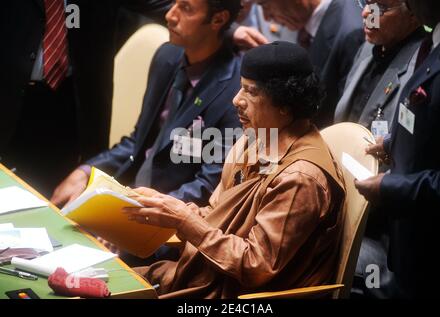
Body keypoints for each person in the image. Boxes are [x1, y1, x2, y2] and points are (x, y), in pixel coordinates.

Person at [123, 42, 346, 299]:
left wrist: (184, 220)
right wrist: (167, 210)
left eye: (250, 92)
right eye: (240, 87)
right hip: (204, 274)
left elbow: (255, 265)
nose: (236, 100)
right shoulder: (254, 141)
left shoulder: (300, 179)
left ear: (285, 103)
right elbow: (218, 213)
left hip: (235, 295)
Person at [52, 0, 242, 209]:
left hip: (176, 218)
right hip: (130, 193)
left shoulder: (236, 93)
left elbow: (209, 185)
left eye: (186, 8)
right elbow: (137, 141)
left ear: (218, 19)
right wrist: (86, 171)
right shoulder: (167, 56)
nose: (170, 15)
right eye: (174, 3)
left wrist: (141, 210)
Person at [0, 0, 173, 197]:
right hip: (9, 100)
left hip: (71, 109)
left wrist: (212, 23)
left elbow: (175, 8)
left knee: (54, 205)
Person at [355, 0, 440, 298]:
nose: (369, 13)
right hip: (408, 243)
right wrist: (393, 143)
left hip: (433, 252)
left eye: (384, 5)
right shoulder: (436, 40)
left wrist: (393, 186)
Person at [256, 0, 365, 128]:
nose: (266, 17)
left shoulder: (350, 33)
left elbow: (347, 117)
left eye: (264, 4)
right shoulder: (305, 24)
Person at [335, 0, 424, 137]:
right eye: (366, 2)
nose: (366, 13)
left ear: (413, 13)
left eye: (380, 7)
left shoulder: (422, 63)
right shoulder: (367, 47)